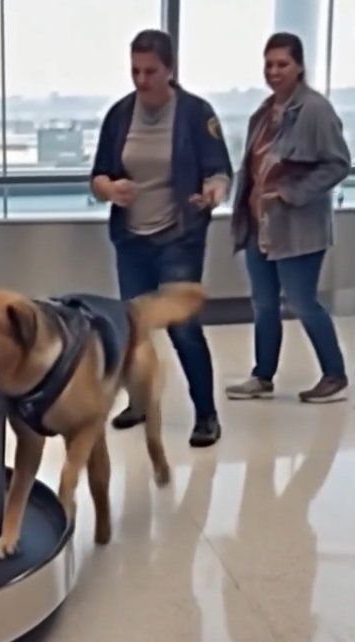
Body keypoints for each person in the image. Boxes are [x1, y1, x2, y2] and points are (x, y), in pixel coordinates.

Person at [90, 29, 233, 448]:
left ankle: (206, 415)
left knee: (183, 328)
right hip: (131, 240)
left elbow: (219, 171)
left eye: (150, 71)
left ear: (170, 69)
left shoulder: (195, 113)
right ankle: (139, 403)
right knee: (134, 328)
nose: (141, 80)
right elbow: (98, 176)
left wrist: (214, 192)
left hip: (178, 238)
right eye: (135, 71)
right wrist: (109, 189)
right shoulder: (120, 115)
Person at [225, 32, 350, 404]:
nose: (274, 71)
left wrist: (291, 192)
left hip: (298, 229)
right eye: (269, 65)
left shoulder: (315, 110)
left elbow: (338, 164)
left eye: (282, 64)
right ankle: (262, 376)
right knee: (263, 303)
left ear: (299, 67)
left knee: (302, 301)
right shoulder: (263, 113)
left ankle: (334, 375)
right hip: (259, 225)